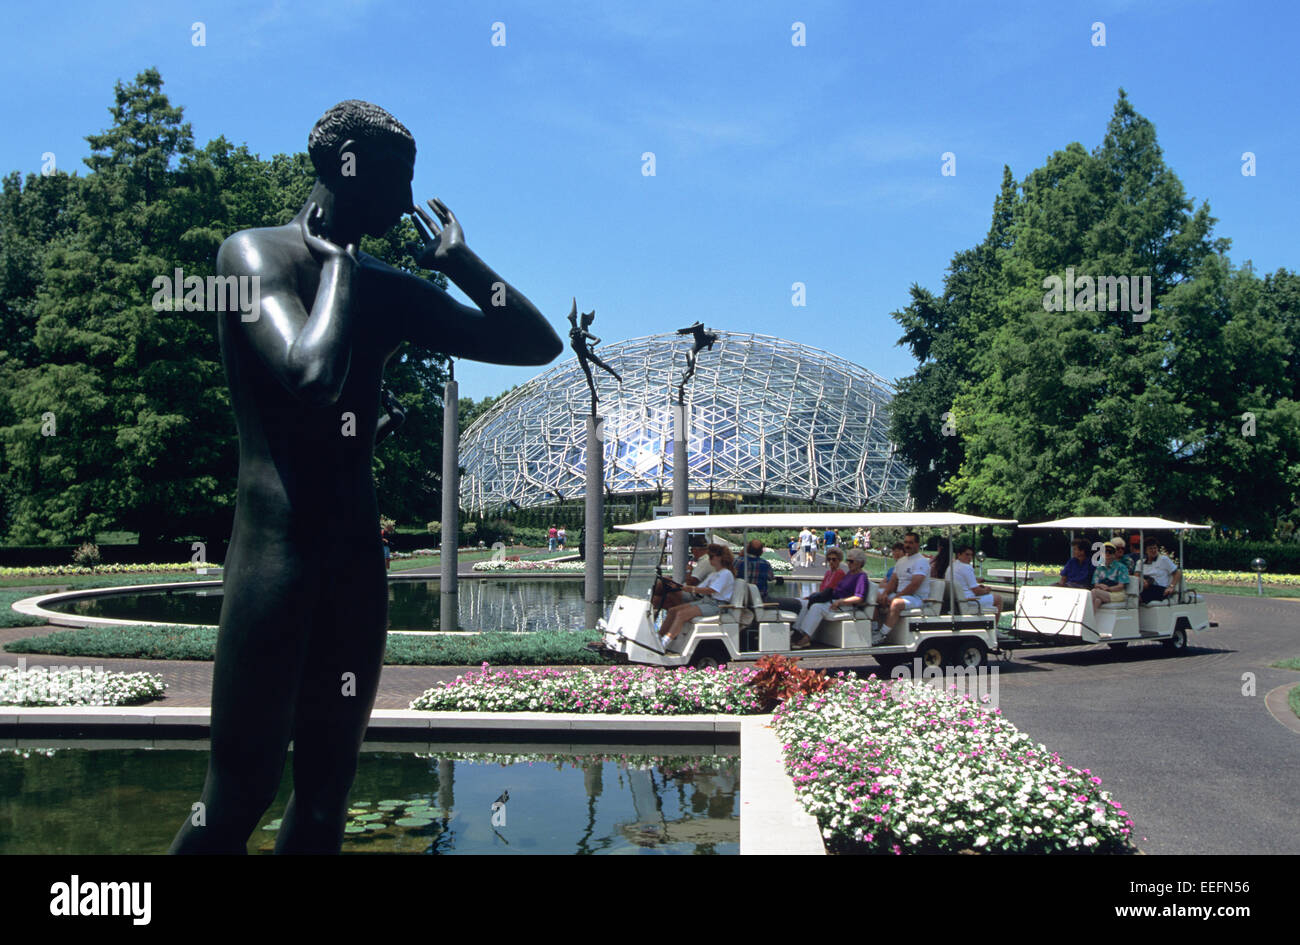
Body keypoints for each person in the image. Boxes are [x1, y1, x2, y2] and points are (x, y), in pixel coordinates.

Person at [169, 100, 562, 854]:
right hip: (273, 561)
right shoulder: (252, 257)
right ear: (339, 162)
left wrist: (462, 265)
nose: (405, 200)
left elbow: (531, 342)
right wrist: (343, 268)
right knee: (238, 794)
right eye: (394, 178)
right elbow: (311, 371)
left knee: (325, 795)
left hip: (352, 562)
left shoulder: (388, 286)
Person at [791, 547, 871, 648]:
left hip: (845, 606)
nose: (848, 564)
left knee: (817, 607)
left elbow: (859, 598)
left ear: (860, 563)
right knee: (809, 603)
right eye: (847, 561)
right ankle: (797, 632)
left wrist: (840, 602)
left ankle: (806, 639)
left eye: (851, 561)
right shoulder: (850, 574)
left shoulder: (861, 577)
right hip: (835, 602)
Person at [661, 546, 735, 646]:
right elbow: (699, 588)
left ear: (719, 558)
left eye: (711, 556)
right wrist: (680, 587)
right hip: (707, 601)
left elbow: (711, 590)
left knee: (681, 614)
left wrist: (690, 589)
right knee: (672, 611)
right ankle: (659, 637)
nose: (709, 559)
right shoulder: (714, 574)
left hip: (717, 606)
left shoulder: (726, 573)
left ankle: (665, 642)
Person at [875, 532, 931, 631]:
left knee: (896, 603)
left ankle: (882, 634)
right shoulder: (902, 561)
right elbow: (893, 581)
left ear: (917, 544)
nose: (907, 545)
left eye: (911, 542)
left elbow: (914, 585)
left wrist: (896, 596)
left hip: (917, 598)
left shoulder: (921, 561)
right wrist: (885, 593)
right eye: (905, 542)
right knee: (874, 596)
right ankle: (874, 628)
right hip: (901, 595)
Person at [652, 534, 711, 614]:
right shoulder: (703, 561)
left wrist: (688, 571)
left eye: (691, 550)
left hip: (692, 595)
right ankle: (649, 602)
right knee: (664, 581)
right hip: (689, 591)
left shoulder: (705, 562)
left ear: (696, 550)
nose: (692, 553)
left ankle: (647, 601)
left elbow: (691, 582)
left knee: (661, 596)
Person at [948, 545, 1002, 614]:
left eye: (971, 555)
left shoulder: (951, 566)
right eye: (967, 555)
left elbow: (966, 583)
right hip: (969, 601)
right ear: (959, 555)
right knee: (998, 598)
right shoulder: (966, 567)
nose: (970, 557)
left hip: (956, 601)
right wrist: (986, 590)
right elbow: (977, 591)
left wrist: (979, 586)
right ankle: (995, 625)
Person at [1139, 538, 1181, 603]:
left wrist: (1171, 587)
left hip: (1160, 589)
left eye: (1155, 548)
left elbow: (1177, 573)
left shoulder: (1164, 559)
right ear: (1146, 551)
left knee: (1139, 595)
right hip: (1145, 587)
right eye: (1150, 548)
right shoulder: (1141, 562)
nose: (1153, 550)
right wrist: (1142, 580)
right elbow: (1136, 576)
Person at [1091, 543, 1130, 608]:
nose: (1107, 554)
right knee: (1097, 600)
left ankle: (1085, 617)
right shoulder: (1099, 567)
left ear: (1114, 554)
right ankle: (1091, 618)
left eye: (1110, 552)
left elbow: (1121, 586)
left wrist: (1108, 589)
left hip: (1117, 594)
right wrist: (1100, 585)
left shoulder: (1122, 567)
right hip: (1102, 592)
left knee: (1094, 592)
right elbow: (1095, 584)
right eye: (1104, 552)